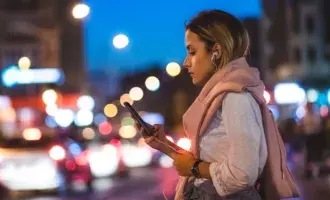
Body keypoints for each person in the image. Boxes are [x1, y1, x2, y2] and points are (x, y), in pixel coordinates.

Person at [136, 10, 267, 199]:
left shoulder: (235, 97)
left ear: (216, 51)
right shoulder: (221, 95)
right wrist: (164, 144)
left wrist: (193, 168)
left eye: (192, 52)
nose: (185, 62)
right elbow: (210, 161)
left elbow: (242, 173)